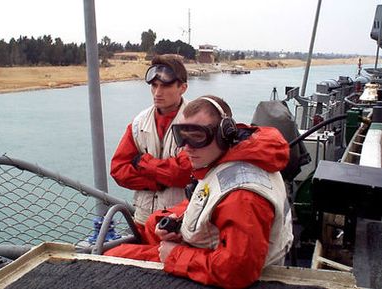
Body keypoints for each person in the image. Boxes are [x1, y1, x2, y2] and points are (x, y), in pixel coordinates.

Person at [105, 95, 293, 289]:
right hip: (210, 248)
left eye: (197, 137)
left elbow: (237, 271)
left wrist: (175, 256)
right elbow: (212, 198)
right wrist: (178, 222)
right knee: (154, 223)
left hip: (217, 264)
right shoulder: (230, 158)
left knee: (111, 258)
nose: (187, 148)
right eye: (182, 137)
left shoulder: (243, 196)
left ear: (224, 133)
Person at [110, 54, 192, 233]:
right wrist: (157, 182)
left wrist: (142, 162)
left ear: (183, 88)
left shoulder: (196, 121)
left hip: (180, 221)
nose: (157, 92)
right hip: (143, 220)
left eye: (165, 86)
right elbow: (118, 170)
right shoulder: (139, 123)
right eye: (154, 85)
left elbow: (185, 172)